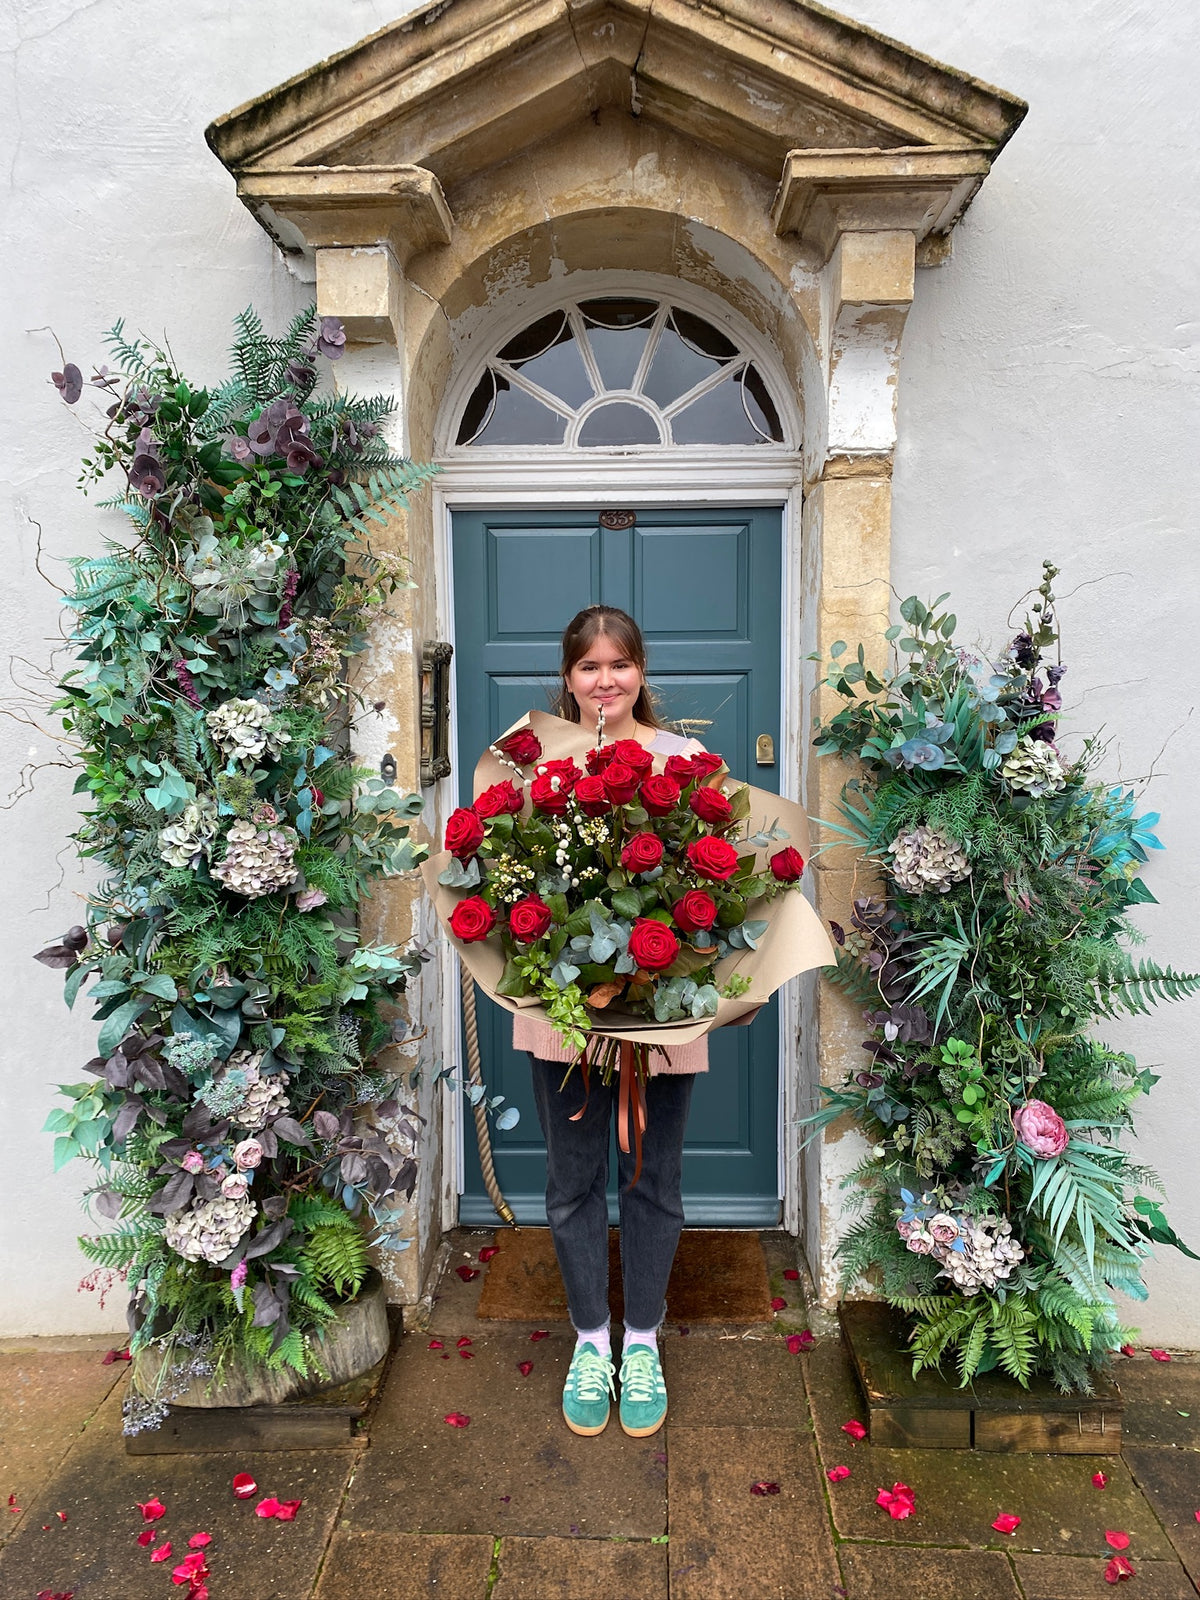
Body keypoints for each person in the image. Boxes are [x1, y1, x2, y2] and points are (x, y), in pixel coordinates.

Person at [511, 604, 707, 1439]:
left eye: (618, 664)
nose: (604, 680)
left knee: (655, 1180)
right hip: (561, 1012)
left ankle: (643, 1338)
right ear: (567, 678)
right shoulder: (531, 767)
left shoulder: (687, 763)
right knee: (571, 1181)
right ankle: (592, 1339)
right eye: (588, 667)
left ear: (640, 672)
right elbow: (506, 879)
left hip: (663, 1010)